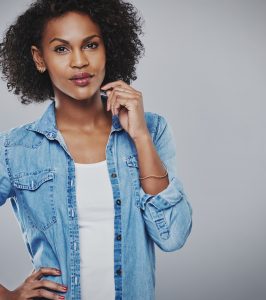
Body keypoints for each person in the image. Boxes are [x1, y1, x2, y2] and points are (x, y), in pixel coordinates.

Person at [0, 0, 193, 299]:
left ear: (108, 49)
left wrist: (140, 137)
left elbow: (172, 236)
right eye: (61, 49)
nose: (79, 61)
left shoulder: (153, 130)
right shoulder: (15, 149)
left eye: (90, 45)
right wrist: (8, 296)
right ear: (40, 58)